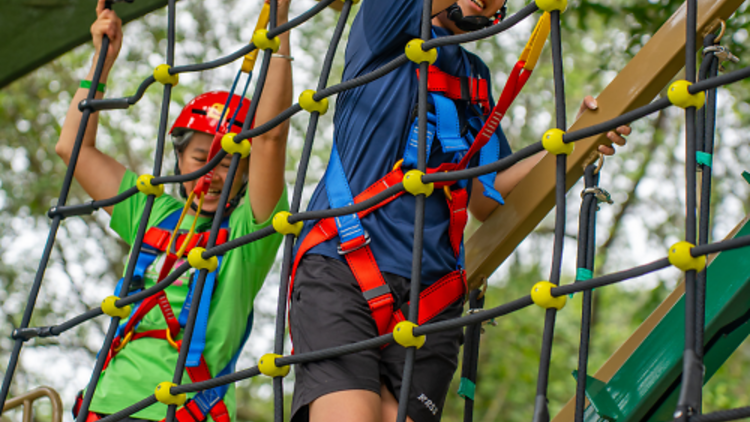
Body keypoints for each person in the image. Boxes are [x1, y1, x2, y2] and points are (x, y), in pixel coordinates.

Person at [288, 1, 630, 422]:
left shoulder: (475, 79)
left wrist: (574, 140)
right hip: (344, 265)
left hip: (432, 296)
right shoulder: (389, 25)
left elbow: (488, 197)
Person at [55, 0, 293, 420]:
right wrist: (100, 63)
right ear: (179, 160)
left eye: (228, 163)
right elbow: (73, 150)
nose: (213, 175)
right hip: (102, 406)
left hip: (184, 410)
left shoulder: (249, 231)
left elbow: (270, 139)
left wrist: (279, 31)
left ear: (245, 174)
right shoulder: (154, 211)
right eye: (201, 158)